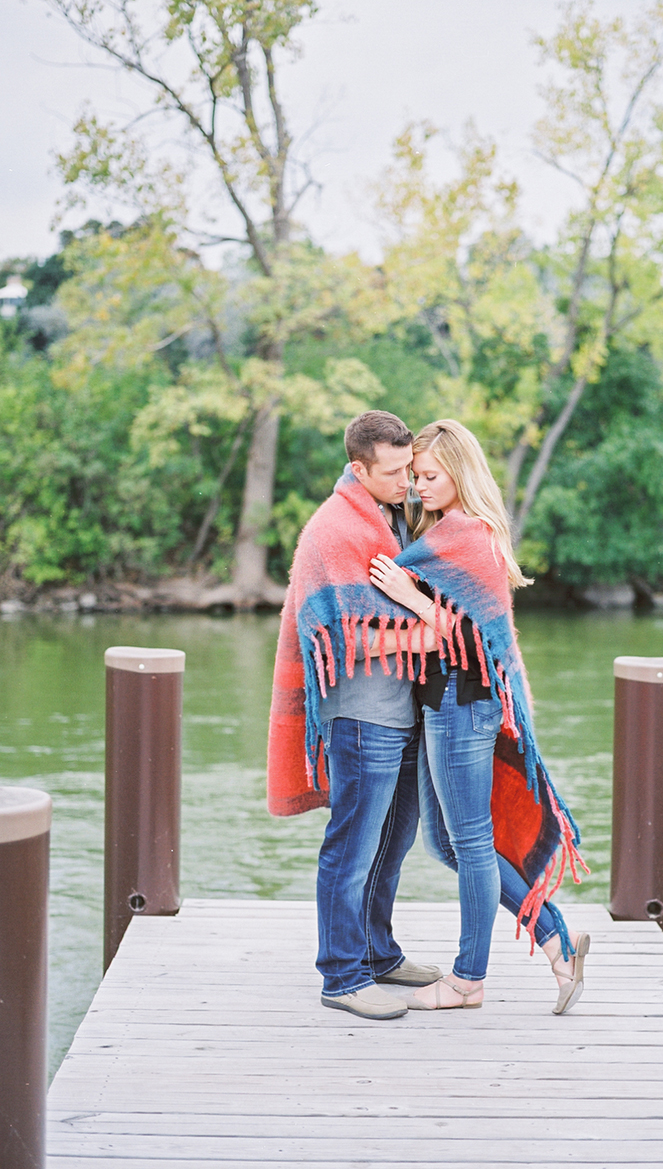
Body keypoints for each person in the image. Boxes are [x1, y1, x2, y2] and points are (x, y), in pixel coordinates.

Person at [368, 419, 589, 1013]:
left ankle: (468, 980)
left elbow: (467, 635)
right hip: (444, 705)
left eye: (429, 476)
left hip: (463, 706)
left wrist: (410, 596)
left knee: (467, 842)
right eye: (414, 476)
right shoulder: (445, 532)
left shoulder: (470, 535)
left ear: (460, 473)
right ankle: (557, 940)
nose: (418, 487)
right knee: (448, 842)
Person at [267, 411, 442, 1020]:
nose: (408, 482)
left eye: (409, 468)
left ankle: (378, 954)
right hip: (361, 717)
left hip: (403, 711)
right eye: (394, 473)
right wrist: (425, 637)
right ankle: (341, 976)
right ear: (359, 468)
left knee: (394, 842)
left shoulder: (395, 514)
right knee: (352, 847)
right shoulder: (334, 530)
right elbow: (339, 640)